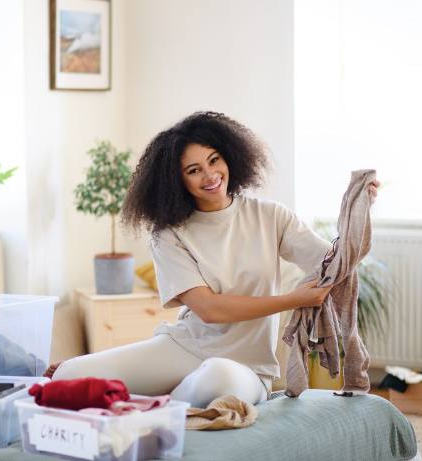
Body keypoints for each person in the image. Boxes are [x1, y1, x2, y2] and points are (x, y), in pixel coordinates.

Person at [52, 111, 379, 407]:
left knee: (217, 381)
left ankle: (155, 403)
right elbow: (209, 310)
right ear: (176, 181)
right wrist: (293, 299)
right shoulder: (168, 234)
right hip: (186, 347)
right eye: (194, 170)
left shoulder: (270, 216)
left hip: (246, 367)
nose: (210, 175)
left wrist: (359, 211)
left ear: (231, 158)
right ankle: (162, 395)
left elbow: (333, 266)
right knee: (69, 374)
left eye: (214, 160)